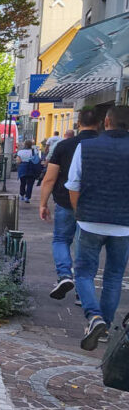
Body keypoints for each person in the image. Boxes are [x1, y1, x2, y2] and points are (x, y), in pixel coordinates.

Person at [66, 105, 129, 350]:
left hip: (90, 220)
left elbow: (74, 185)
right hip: (124, 225)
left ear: (107, 121)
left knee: (83, 273)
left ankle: (94, 317)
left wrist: (78, 212)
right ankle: (105, 325)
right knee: (114, 277)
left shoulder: (86, 147)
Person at [39, 108, 100, 300]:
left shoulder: (64, 146)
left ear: (78, 123)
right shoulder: (103, 145)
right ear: (99, 123)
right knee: (88, 247)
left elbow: (49, 178)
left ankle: (65, 275)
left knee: (61, 240)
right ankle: (84, 292)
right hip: (92, 205)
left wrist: (43, 203)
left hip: (65, 202)